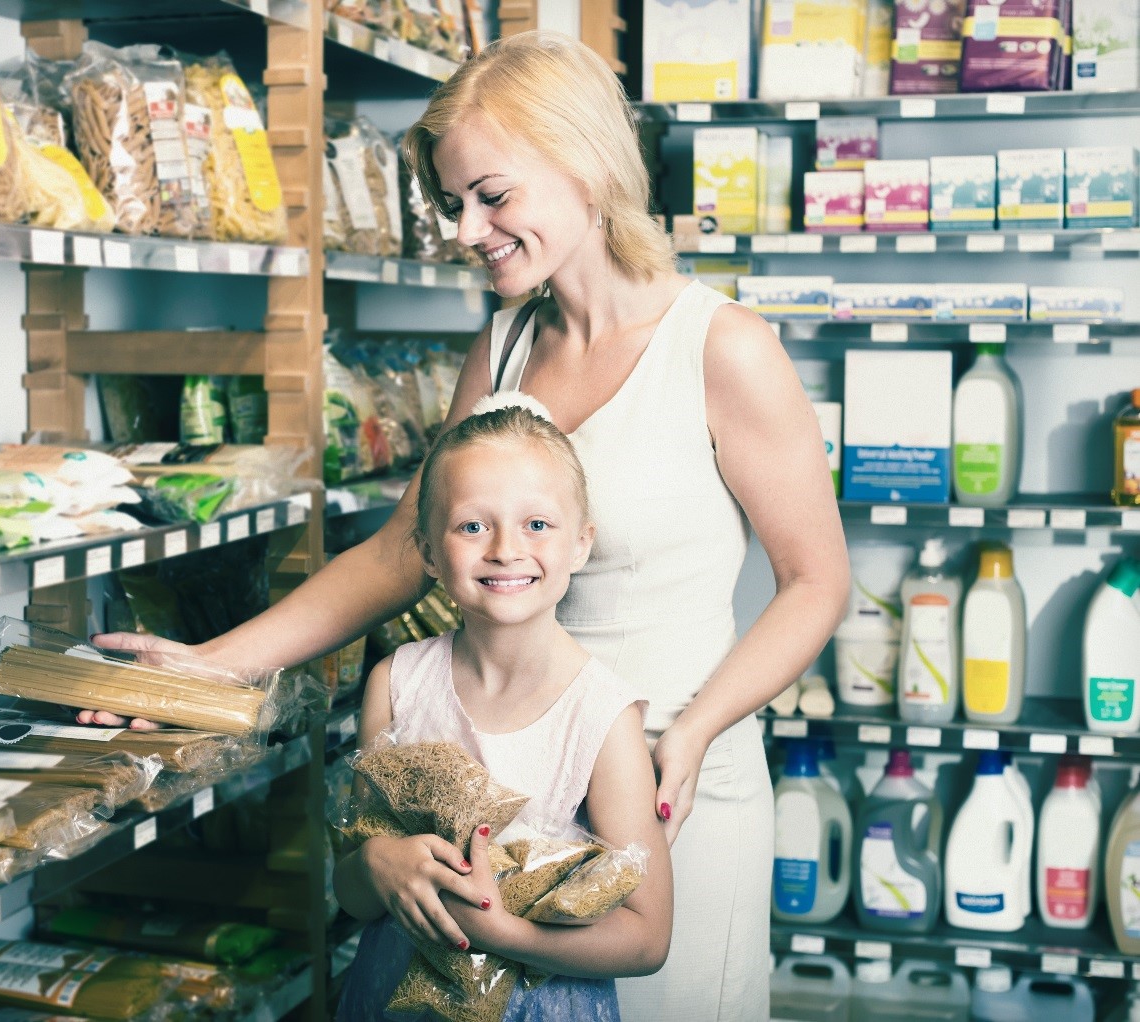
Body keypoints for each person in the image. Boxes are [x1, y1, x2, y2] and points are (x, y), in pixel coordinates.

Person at [85, 31, 849, 1020]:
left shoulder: (723, 347)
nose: (462, 228)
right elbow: (410, 545)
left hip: (667, 785)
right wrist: (209, 664)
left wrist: (699, 725)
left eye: (491, 195)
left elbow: (815, 581)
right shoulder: (507, 343)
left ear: (582, 163)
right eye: (453, 203)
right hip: (516, 788)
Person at [334, 399, 673, 1019]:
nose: (505, 550)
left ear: (581, 544)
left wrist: (500, 934)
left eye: (537, 525)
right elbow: (351, 894)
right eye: (472, 526)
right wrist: (376, 862)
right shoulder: (396, 685)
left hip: (543, 1003)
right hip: (392, 993)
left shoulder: (602, 717)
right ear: (430, 554)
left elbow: (648, 938)